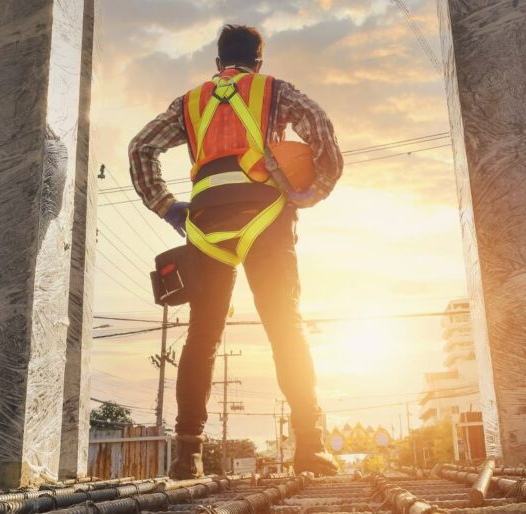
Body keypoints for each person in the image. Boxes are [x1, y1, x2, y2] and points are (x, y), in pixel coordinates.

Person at [128, 24, 343, 478]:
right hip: (267, 219)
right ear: (258, 62)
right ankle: (311, 447)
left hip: (206, 226)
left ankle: (187, 455)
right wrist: (311, 192)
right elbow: (321, 129)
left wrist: (168, 207)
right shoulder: (274, 91)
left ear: (218, 63)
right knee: (285, 328)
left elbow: (141, 146)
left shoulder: (190, 102)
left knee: (203, 338)